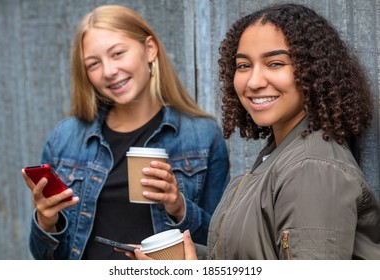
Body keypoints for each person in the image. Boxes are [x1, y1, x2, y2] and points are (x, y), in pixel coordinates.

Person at [135, 3, 380, 260]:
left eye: (275, 63)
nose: (253, 82)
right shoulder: (281, 151)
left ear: (314, 71)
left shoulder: (312, 167)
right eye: (243, 66)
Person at [21, 5, 229, 260]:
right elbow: (43, 259)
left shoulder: (203, 136)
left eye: (118, 53)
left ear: (149, 49)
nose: (108, 71)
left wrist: (179, 206)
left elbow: (221, 246)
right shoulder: (64, 139)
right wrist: (46, 221)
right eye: (93, 64)